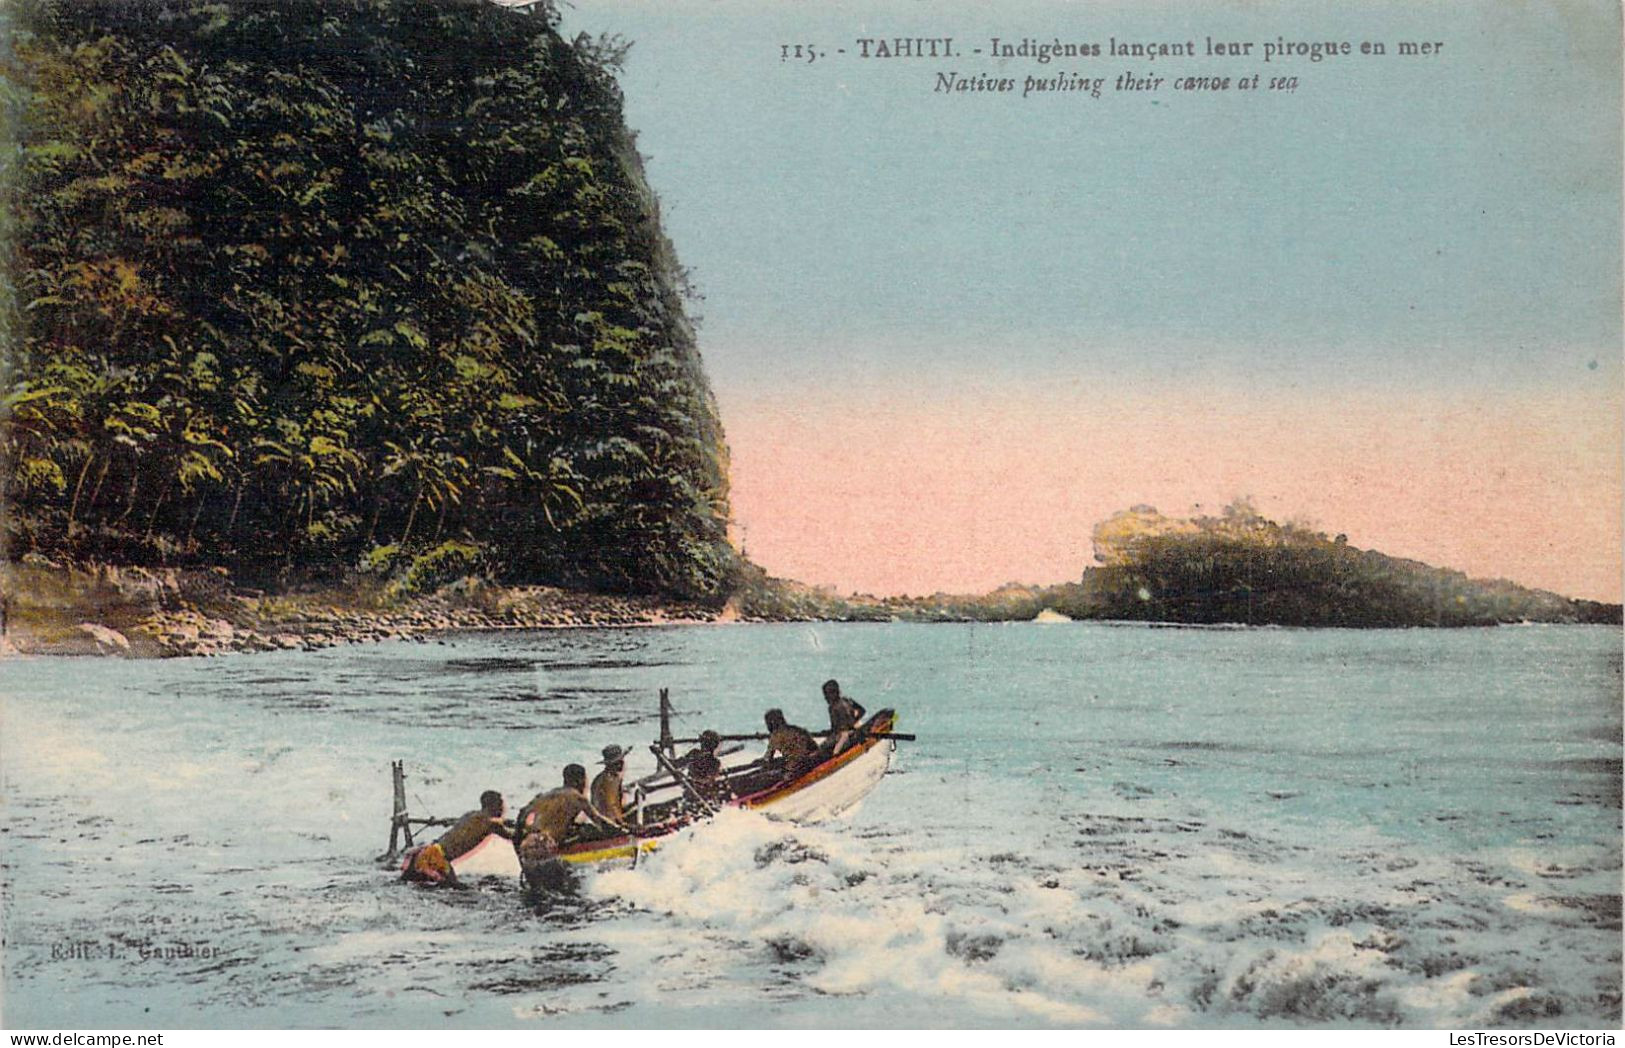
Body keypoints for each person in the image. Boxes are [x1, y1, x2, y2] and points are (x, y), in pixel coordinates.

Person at [513, 764, 625, 888]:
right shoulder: (578, 798)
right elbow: (600, 822)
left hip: (526, 848)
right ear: (580, 781)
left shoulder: (544, 796)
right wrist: (624, 832)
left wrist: (520, 856)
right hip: (545, 847)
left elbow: (521, 817)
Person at [401, 789, 512, 887]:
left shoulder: (471, 814)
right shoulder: (491, 824)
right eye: (500, 804)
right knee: (456, 889)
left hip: (427, 852)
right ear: (493, 806)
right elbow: (512, 836)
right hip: (437, 858)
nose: (503, 808)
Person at [762, 708, 818, 781]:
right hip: (811, 760)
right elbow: (814, 747)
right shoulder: (797, 729)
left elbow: (767, 758)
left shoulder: (775, 736)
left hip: (795, 767)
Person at [681, 729, 730, 805]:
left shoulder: (694, 753)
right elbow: (709, 779)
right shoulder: (715, 762)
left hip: (692, 792)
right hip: (705, 795)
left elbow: (679, 762)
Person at [821, 679, 867, 755]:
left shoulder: (835, 707)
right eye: (825, 695)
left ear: (835, 693)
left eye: (827, 694)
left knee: (827, 751)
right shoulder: (847, 700)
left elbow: (842, 731)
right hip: (847, 733)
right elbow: (862, 711)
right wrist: (854, 721)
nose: (825, 698)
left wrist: (851, 725)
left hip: (844, 736)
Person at [590, 745, 628, 824]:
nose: (621, 765)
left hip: (603, 820)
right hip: (609, 823)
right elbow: (611, 806)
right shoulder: (610, 780)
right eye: (618, 763)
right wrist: (623, 824)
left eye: (621, 761)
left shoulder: (602, 777)